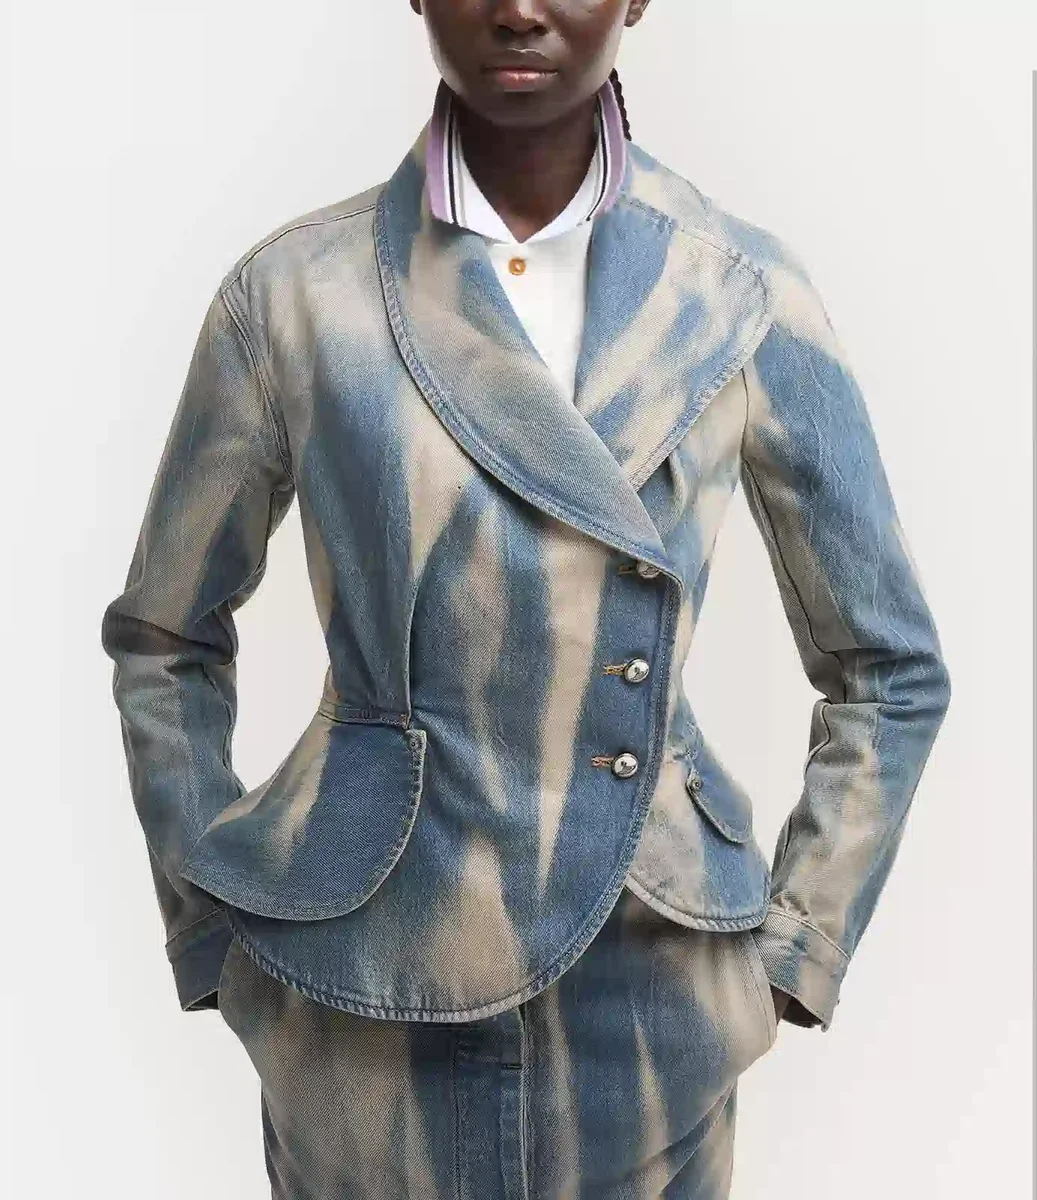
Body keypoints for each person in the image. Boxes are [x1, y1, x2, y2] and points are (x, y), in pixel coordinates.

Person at [99, 2, 952, 1196]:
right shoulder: (296, 293)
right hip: (363, 984)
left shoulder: (738, 290)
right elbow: (164, 637)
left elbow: (887, 667)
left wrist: (793, 950)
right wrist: (208, 928)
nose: (517, 7)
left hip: (651, 997)